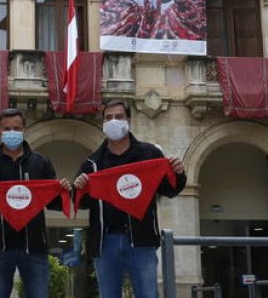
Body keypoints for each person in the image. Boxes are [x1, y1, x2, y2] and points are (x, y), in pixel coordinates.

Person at [73, 100, 186, 298]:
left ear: (129, 120)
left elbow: (170, 190)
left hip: (141, 241)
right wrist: (78, 188)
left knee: (148, 294)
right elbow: (80, 202)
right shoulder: (92, 162)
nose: (113, 121)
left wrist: (178, 173)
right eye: (108, 118)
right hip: (105, 242)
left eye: (119, 117)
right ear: (103, 123)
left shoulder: (150, 154)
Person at [0, 108, 70, 298]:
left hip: (35, 247)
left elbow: (54, 204)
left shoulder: (41, 163)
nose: (11, 133)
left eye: (16, 128)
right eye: (7, 129)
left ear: (24, 129)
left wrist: (62, 191)